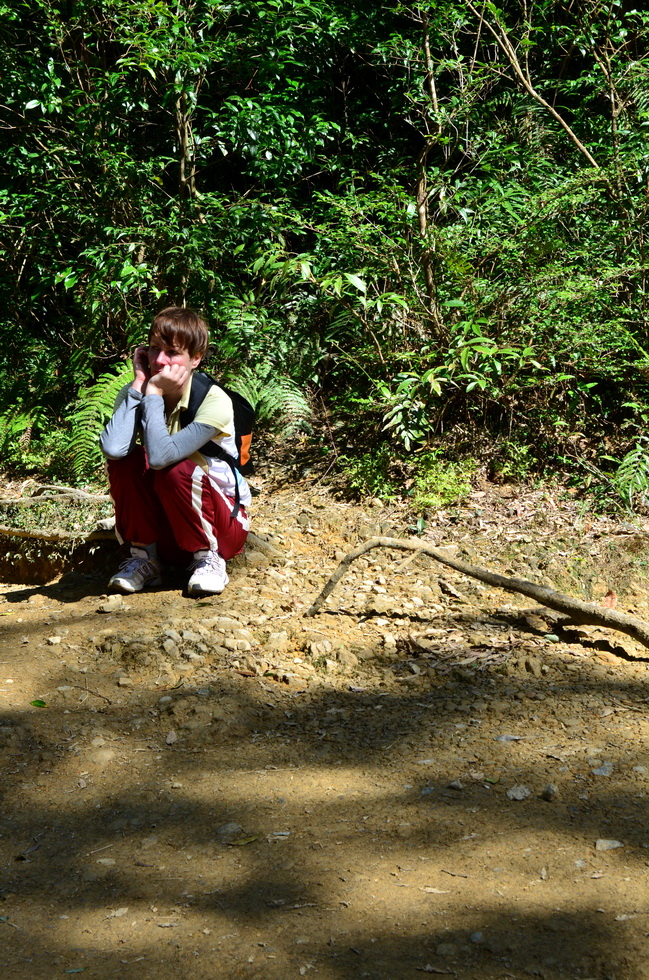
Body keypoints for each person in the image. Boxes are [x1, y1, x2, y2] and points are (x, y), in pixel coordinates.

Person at [100, 306, 250, 596]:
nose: (159, 360)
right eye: (154, 349)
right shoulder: (137, 390)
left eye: (172, 352)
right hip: (171, 528)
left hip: (223, 527)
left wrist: (154, 395)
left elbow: (160, 457)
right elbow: (114, 449)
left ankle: (208, 560)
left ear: (195, 358)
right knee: (125, 463)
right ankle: (144, 560)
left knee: (176, 466)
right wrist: (141, 386)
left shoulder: (213, 400)